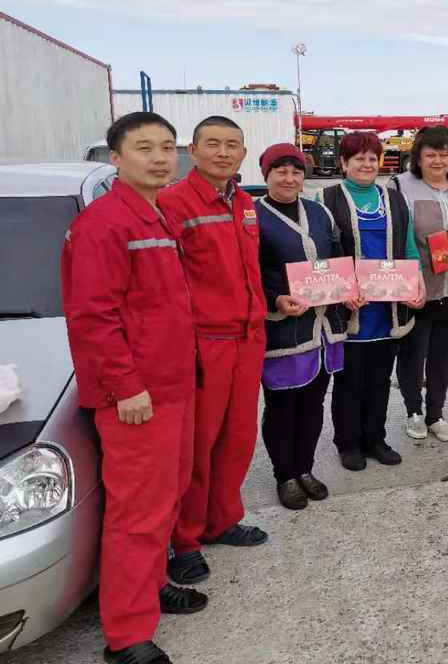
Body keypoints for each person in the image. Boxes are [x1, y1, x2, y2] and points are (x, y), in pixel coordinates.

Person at [61, 111, 206, 664]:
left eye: (167, 147)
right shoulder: (104, 224)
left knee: (165, 497)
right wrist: (125, 387)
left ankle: (150, 586)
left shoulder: (154, 213)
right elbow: (92, 316)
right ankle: (126, 636)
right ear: (116, 158)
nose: (160, 158)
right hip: (137, 398)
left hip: (172, 386)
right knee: (137, 513)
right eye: (144, 148)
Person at [158, 116, 269, 588]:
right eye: (213, 144)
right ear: (194, 151)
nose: (223, 153)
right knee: (197, 446)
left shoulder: (243, 202)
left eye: (232, 145)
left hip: (248, 337)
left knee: (238, 437)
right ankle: (184, 540)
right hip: (206, 343)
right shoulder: (173, 203)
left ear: (243, 153)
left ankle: (222, 519)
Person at [255, 143, 356, 510]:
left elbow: (338, 258)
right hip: (284, 328)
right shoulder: (254, 217)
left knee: (314, 403)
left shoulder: (318, 212)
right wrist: (274, 299)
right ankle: (285, 475)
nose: (289, 178)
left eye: (296, 171)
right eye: (280, 171)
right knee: (282, 406)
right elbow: (247, 273)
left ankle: (305, 468)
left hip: (323, 327)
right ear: (266, 175)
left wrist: (349, 289)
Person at [319, 131, 425, 472]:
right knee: (349, 382)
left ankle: (375, 439)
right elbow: (320, 254)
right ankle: (348, 443)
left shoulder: (393, 198)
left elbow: (409, 246)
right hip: (350, 308)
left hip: (387, 308)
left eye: (371, 158)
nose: (366, 164)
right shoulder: (326, 198)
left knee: (380, 379)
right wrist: (341, 290)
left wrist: (417, 282)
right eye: (358, 158)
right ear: (343, 163)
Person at [391, 126, 448, 442]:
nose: (438, 160)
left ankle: (436, 414)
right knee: (413, 355)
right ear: (417, 157)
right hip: (420, 289)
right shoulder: (400, 185)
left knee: (443, 356)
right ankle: (413, 412)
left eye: (444, 154)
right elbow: (396, 234)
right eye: (430, 154)